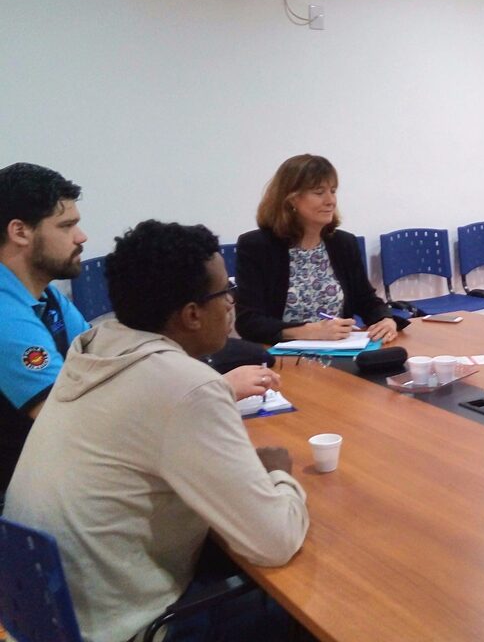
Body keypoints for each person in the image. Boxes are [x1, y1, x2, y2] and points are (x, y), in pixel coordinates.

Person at [4, 220, 310, 642]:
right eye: (226, 292)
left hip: (52, 617)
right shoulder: (184, 385)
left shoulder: (94, 347)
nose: (232, 303)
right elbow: (274, 541)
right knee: (308, 601)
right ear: (191, 314)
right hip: (131, 628)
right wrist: (279, 475)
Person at [235, 153, 409, 345]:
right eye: (319, 193)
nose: (330, 201)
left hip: (338, 352)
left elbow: (366, 299)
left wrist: (385, 319)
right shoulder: (257, 246)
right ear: (291, 199)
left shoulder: (343, 243)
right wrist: (307, 331)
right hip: (280, 358)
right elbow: (248, 322)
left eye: (333, 191)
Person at [0, 163, 90, 504]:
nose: (81, 237)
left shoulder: (45, 296)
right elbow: (63, 417)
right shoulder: (4, 313)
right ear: (20, 232)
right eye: (67, 226)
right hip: (20, 500)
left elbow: (105, 362)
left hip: (50, 473)